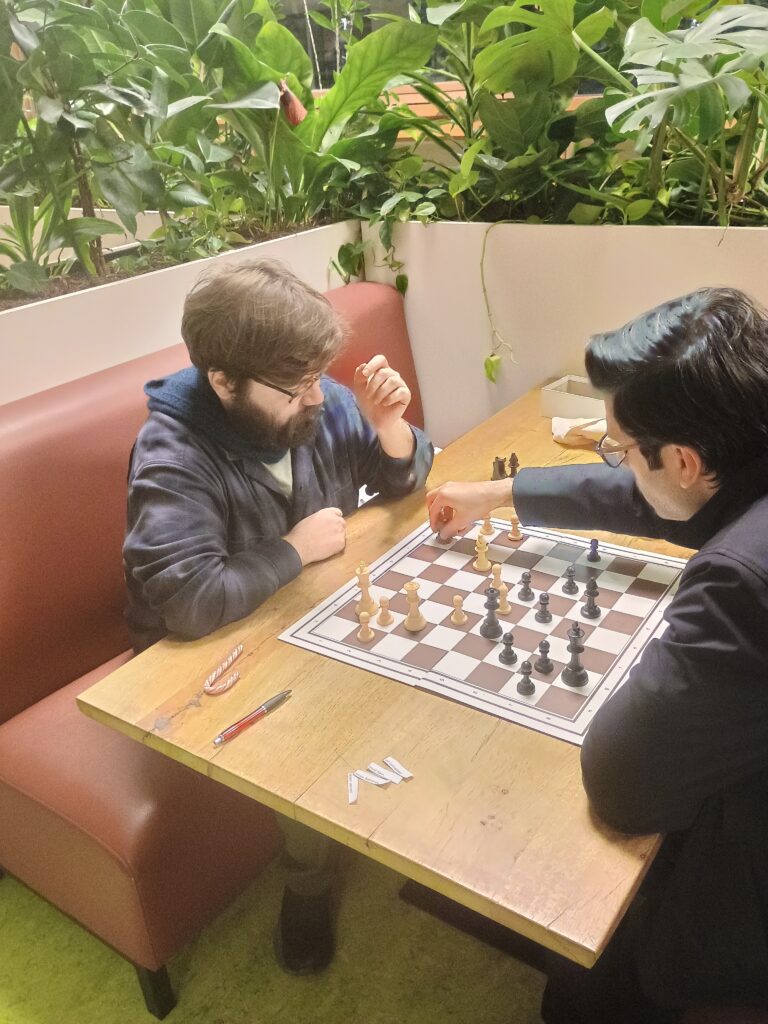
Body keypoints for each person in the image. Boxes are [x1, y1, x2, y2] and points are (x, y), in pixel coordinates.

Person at [427, 288, 768, 1021]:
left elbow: (623, 782)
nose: (616, 460)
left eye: (621, 449)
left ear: (683, 459)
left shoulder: (741, 581)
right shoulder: (745, 452)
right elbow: (655, 497)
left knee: (589, 917)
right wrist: (498, 494)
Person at [124, 258, 434, 975]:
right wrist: (294, 549)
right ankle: (307, 882)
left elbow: (403, 477)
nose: (317, 396)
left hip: (301, 612)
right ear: (223, 382)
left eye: (318, 376)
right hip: (200, 655)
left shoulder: (315, 399)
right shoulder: (171, 452)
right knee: (306, 725)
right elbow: (187, 599)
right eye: (295, 388)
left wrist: (391, 429)